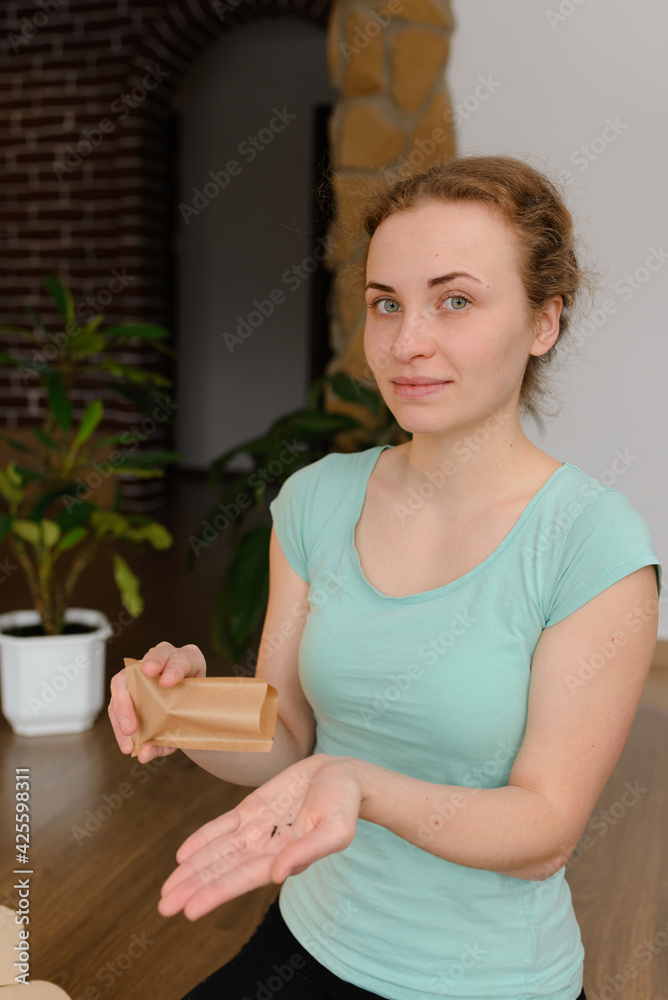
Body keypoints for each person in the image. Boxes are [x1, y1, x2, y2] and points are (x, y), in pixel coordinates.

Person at [108, 154, 663, 1000]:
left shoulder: (592, 546)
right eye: (386, 304)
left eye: (456, 300)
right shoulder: (317, 501)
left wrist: (359, 785)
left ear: (544, 322)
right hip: (307, 941)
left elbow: (546, 830)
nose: (408, 342)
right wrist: (181, 710)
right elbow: (286, 741)